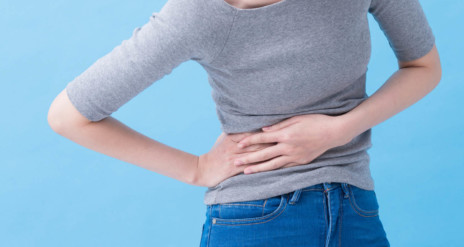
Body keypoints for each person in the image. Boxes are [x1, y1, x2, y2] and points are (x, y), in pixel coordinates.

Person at [47, 0, 442, 246]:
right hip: (256, 219)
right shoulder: (197, 13)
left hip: (355, 210)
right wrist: (196, 168)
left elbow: (424, 67)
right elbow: (69, 116)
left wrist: (340, 128)